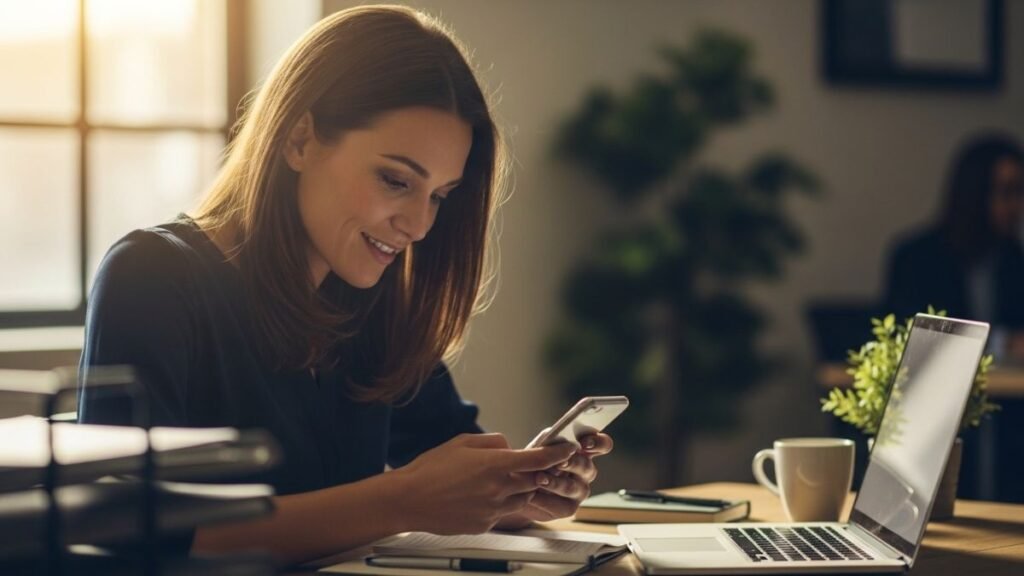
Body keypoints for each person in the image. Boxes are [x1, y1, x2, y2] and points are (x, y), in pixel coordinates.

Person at [77, 5, 613, 565]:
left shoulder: (372, 301)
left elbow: (449, 484)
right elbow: (131, 530)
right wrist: (401, 500)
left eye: (438, 196)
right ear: (299, 140)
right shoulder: (152, 278)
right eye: (395, 180)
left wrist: (525, 486)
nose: (419, 225)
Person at [883, 132, 1024, 357]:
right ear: (975, 194)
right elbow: (912, 339)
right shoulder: (917, 260)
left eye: (1020, 192)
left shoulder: (1012, 259)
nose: (1016, 206)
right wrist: (1003, 343)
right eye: (1006, 192)